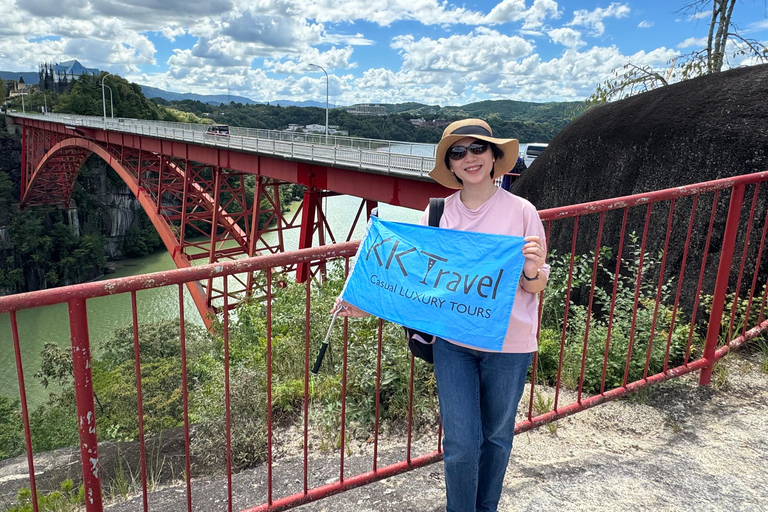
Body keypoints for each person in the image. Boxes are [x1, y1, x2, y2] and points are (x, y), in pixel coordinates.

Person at [333, 118, 549, 512]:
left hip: (509, 345)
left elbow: (535, 285)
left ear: (494, 155)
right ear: (450, 164)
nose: (470, 158)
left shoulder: (523, 212)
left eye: (478, 148)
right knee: (462, 444)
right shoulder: (437, 214)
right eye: (458, 152)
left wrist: (532, 271)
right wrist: (363, 302)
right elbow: (414, 280)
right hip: (454, 344)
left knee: (497, 436)